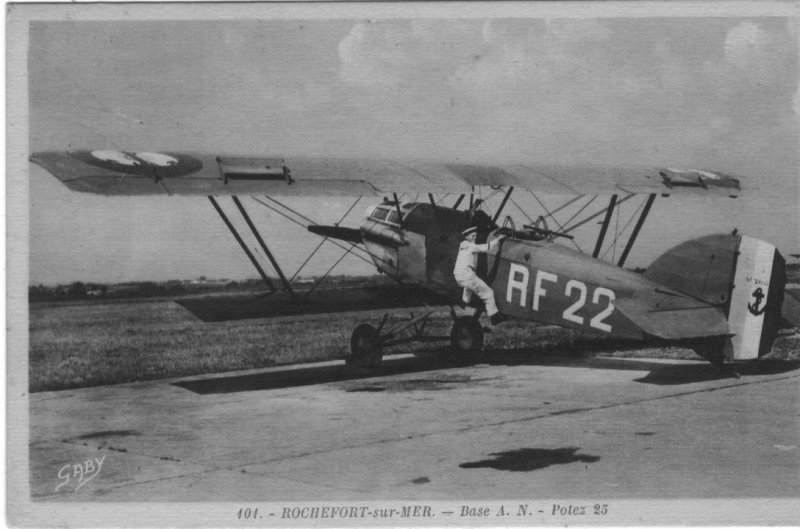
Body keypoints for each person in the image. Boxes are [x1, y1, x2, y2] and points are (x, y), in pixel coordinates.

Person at [453, 226, 508, 325]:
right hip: (468, 276)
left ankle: (464, 301)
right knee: (488, 293)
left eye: (475, 235)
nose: (474, 237)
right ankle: (494, 317)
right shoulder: (471, 246)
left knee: (469, 287)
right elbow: (486, 247)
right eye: (472, 236)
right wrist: (499, 239)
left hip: (458, 276)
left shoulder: (462, 246)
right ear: (467, 237)